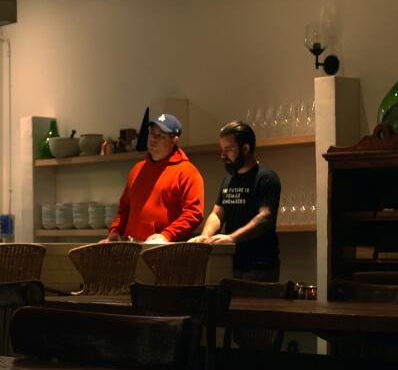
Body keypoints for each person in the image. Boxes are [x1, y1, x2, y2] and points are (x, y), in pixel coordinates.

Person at [191, 121, 282, 281]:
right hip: (230, 263)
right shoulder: (228, 180)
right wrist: (205, 236)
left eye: (228, 149)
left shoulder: (266, 177)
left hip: (259, 266)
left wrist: (231, 238)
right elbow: (218, 213)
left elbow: (265, 218)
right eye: (222, 149)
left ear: (245, 149)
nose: (222, 155)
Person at [105, 113, 204, 243]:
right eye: (152, 132)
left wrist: (166, 235)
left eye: (160, 135)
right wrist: (115, 231)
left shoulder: (187, 172)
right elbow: (124, 208)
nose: (153, 138)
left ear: (174, 140)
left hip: (165, 250)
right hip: (130, 248)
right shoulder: (137, 169)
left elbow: (193, 213)